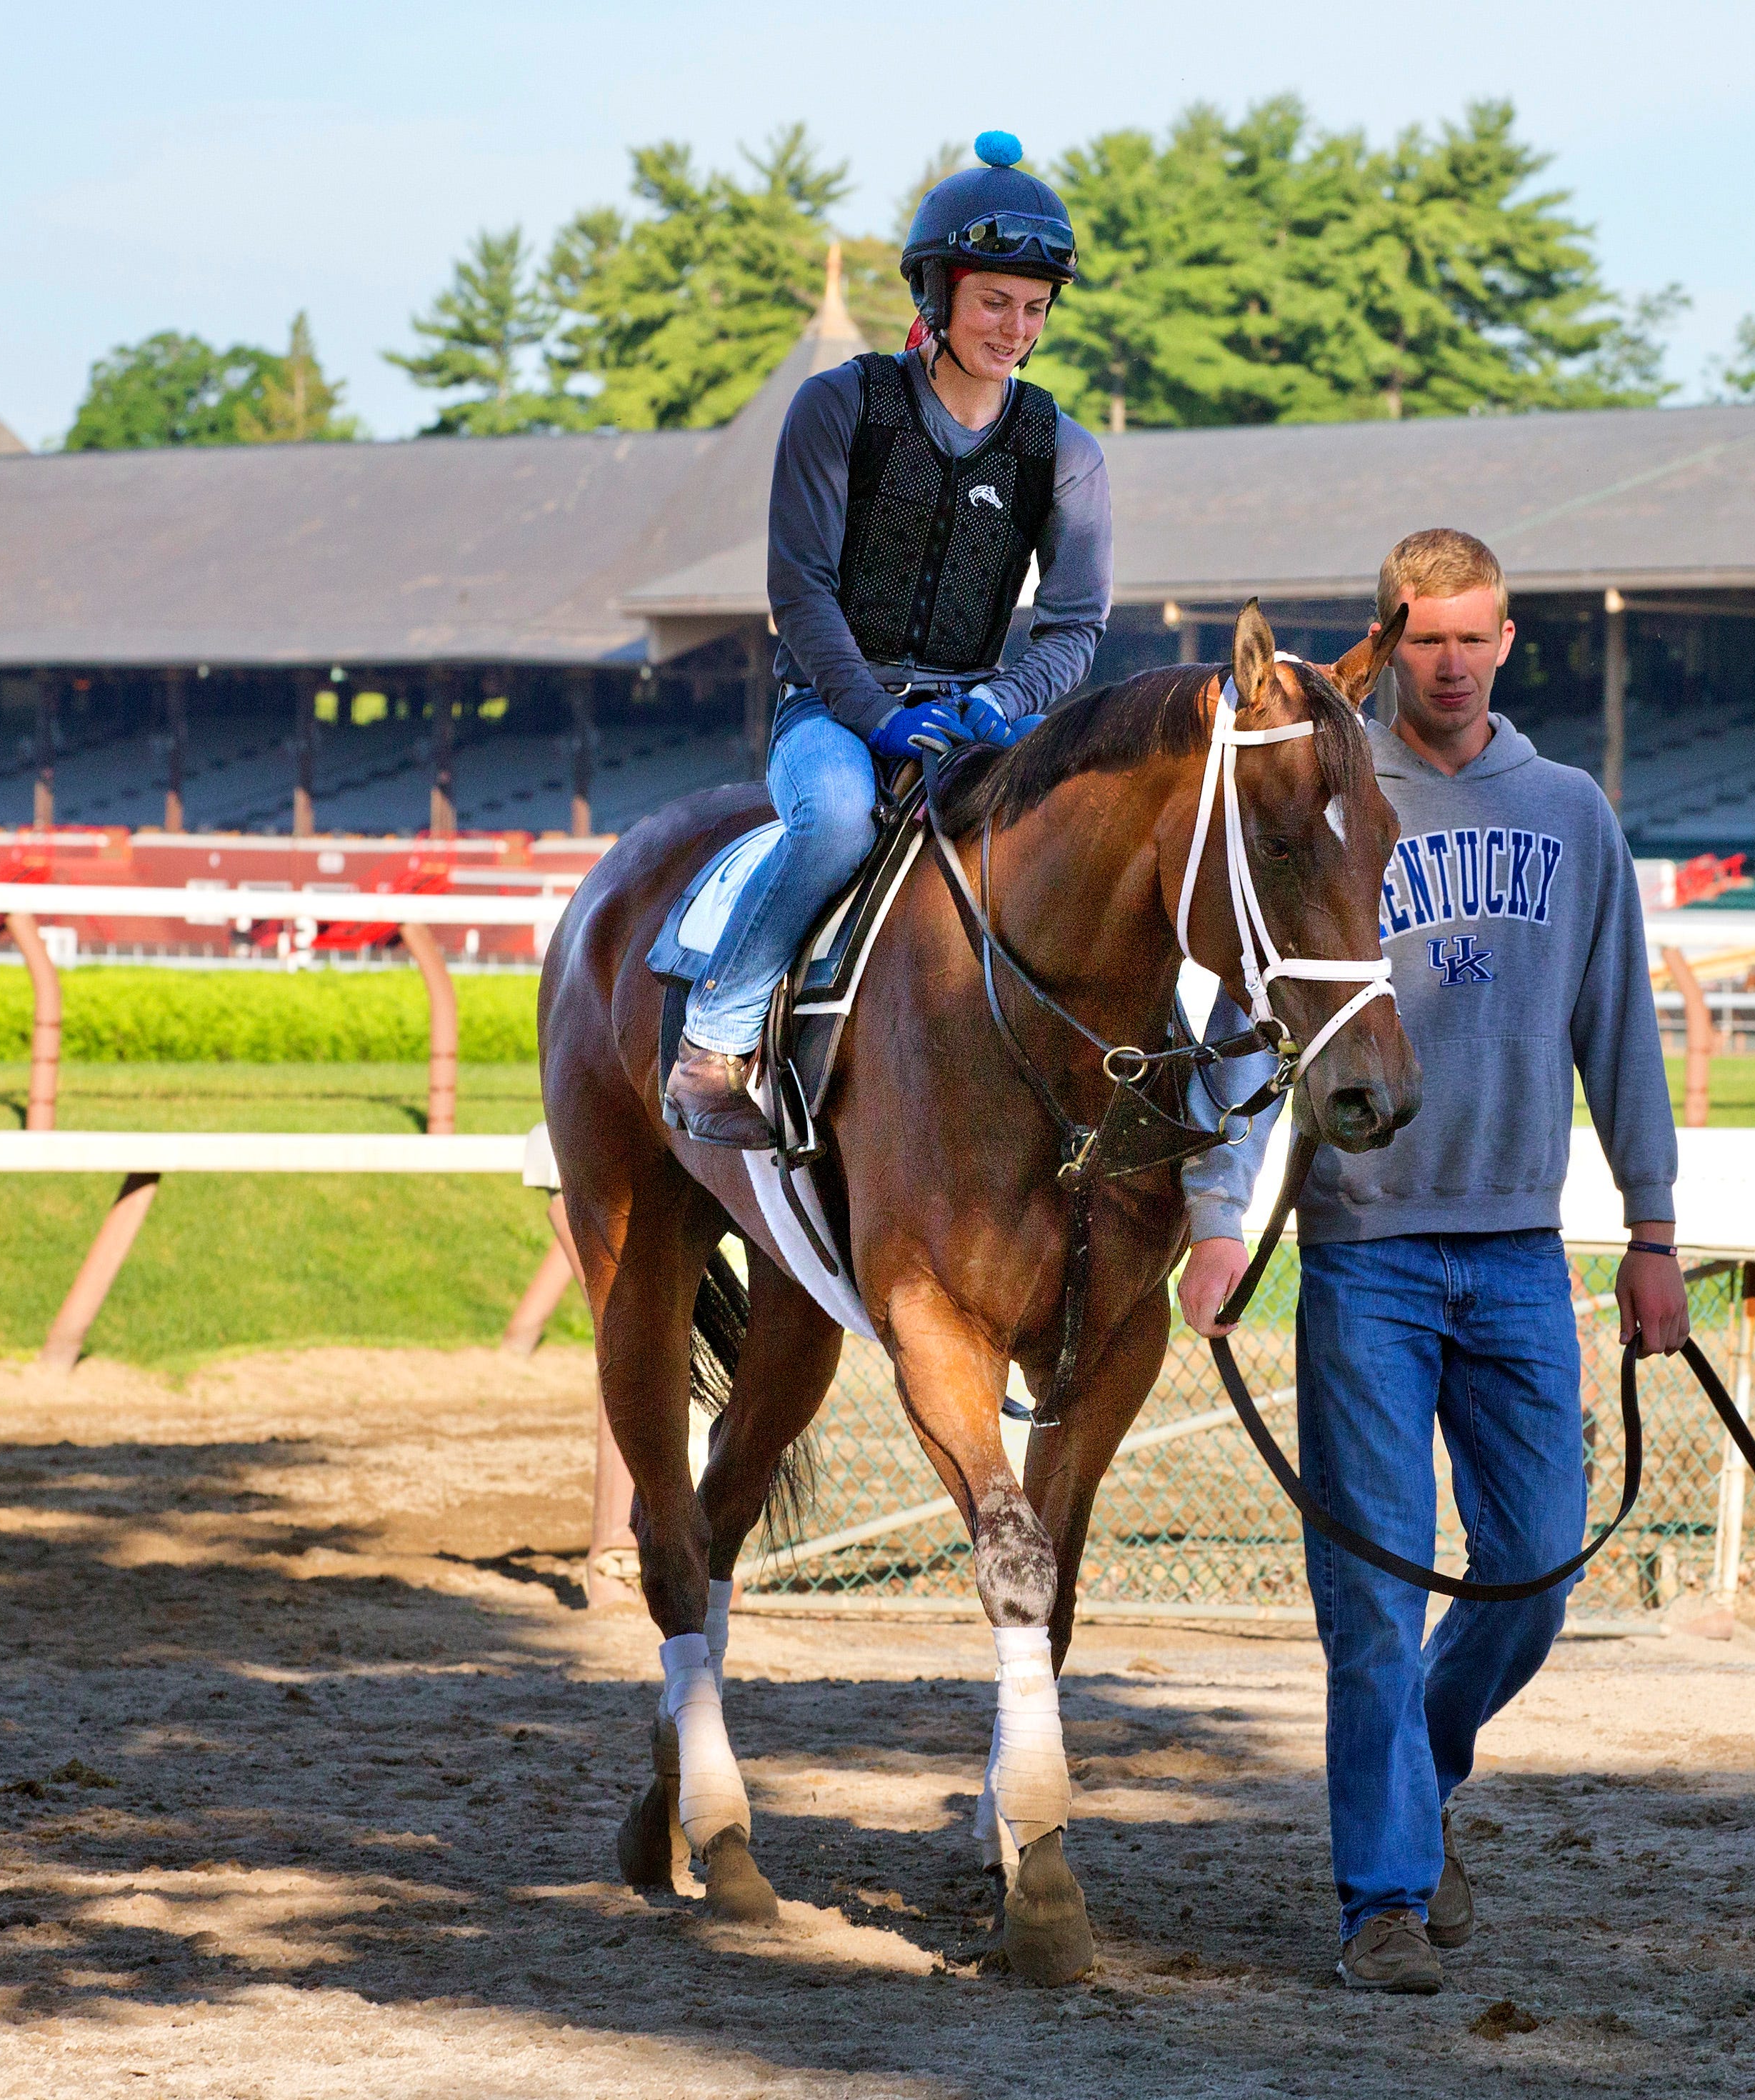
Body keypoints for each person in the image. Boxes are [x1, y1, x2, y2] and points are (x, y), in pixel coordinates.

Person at [1175, 528, 1691, 1994]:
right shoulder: (1327, 799)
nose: (1450, 664)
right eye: (1423, 640)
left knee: (1531, 1575)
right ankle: (1382, 1902)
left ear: (1508, 642)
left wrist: (1650, 1231)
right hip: (1365, 1258)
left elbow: (1621, 1034)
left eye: (1473, 637)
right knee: (1372, 1600)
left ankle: (1421, 1772)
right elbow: (1236, 1026)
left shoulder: (1571, 812)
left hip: (1520, 1250)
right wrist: (1220, 1219)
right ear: (1384, 644)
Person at [666, 130, 1113, 1147]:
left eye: (1034, 309)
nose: (1015, 327)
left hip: (978, 712)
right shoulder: (839, 408)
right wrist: (874, 717)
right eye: (994, 301)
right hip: (832, 707)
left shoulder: (1066, 451)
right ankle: (718, 1032)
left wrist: (999, 703)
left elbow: (1077, 622)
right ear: (937, 293)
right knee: (831, 822)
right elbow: (801, 589)